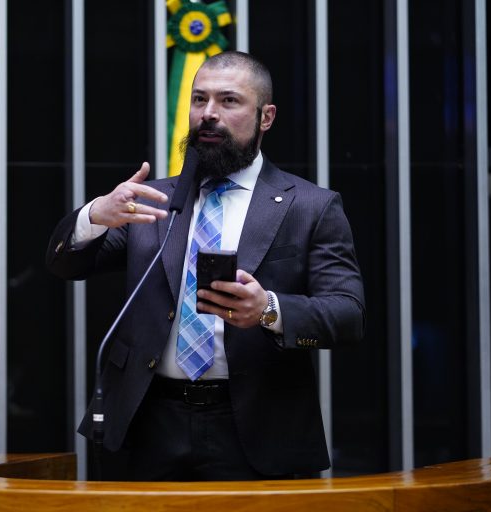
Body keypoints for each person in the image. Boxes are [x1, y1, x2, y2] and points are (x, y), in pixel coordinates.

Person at [46, 51, 365, 481]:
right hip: (149, 420)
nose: (209, 114)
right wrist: (95, 216)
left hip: (255, 423)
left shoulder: (310, 206)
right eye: (199, 100)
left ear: (265, 117)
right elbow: (66, 265)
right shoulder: (153, 201)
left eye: (228, 101)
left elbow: (347, 315)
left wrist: (269, 310)